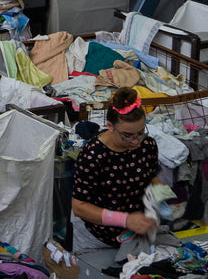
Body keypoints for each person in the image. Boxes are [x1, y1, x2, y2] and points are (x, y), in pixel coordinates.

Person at [69, 87, 161, 252]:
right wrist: (125, 220)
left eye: (140, 133)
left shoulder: (147, 145)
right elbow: (79, 207)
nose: (135, 142)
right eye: (127, 135)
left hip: (135, 235)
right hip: (97, 238)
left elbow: (151, 177)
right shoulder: (93, 153)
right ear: (110, 126)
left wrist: (162, 198)